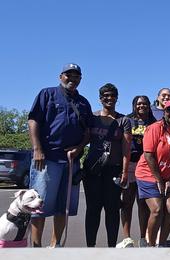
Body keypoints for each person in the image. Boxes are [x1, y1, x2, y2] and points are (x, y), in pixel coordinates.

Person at [28, 63, 93, 247]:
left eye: (76, 76)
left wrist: (80, 148)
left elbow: (88, 132)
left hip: (71, 161)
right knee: (38, 205)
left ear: (80, 79)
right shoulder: (47, 94)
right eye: (68, 75)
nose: (72, 79)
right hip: (46, 159)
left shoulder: (83, 103)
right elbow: (33, 120)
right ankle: (36, 247)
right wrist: (37, 149)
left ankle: (55, 246)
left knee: (62, 207)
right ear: (60, 76)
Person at [83, 83, 132, 247]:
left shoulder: (123, 121)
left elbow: (126, 149)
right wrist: (74, 152)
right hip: (93, 170)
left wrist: (125, 172)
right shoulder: (93, 118)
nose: (109, 98)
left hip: (113, 170)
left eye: (112, 95)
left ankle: (111, 247)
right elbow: (84, 140)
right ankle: (90, 247)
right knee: (93, 210)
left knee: (112, 210)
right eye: (105, 95)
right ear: (100, 98)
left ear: (117, 98)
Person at [135, 100, 170, 247]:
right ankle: (151, 246)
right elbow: (148, 154)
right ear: (164, 113)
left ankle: (162, 243)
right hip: (148, 174)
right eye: (169, 111)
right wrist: (159, 179)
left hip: (168, 176)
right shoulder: (155, 128)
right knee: (157, 210)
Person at [116, 95, 157, 248]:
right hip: (130, 165)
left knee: (143, 204)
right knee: (127, 202)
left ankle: (143, 237)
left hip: (147, 166)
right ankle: (127, 238)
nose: (142, 106)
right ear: (134, 105)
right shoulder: (127, 120)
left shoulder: (154, 123)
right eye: (138, 104)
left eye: (145, 104)